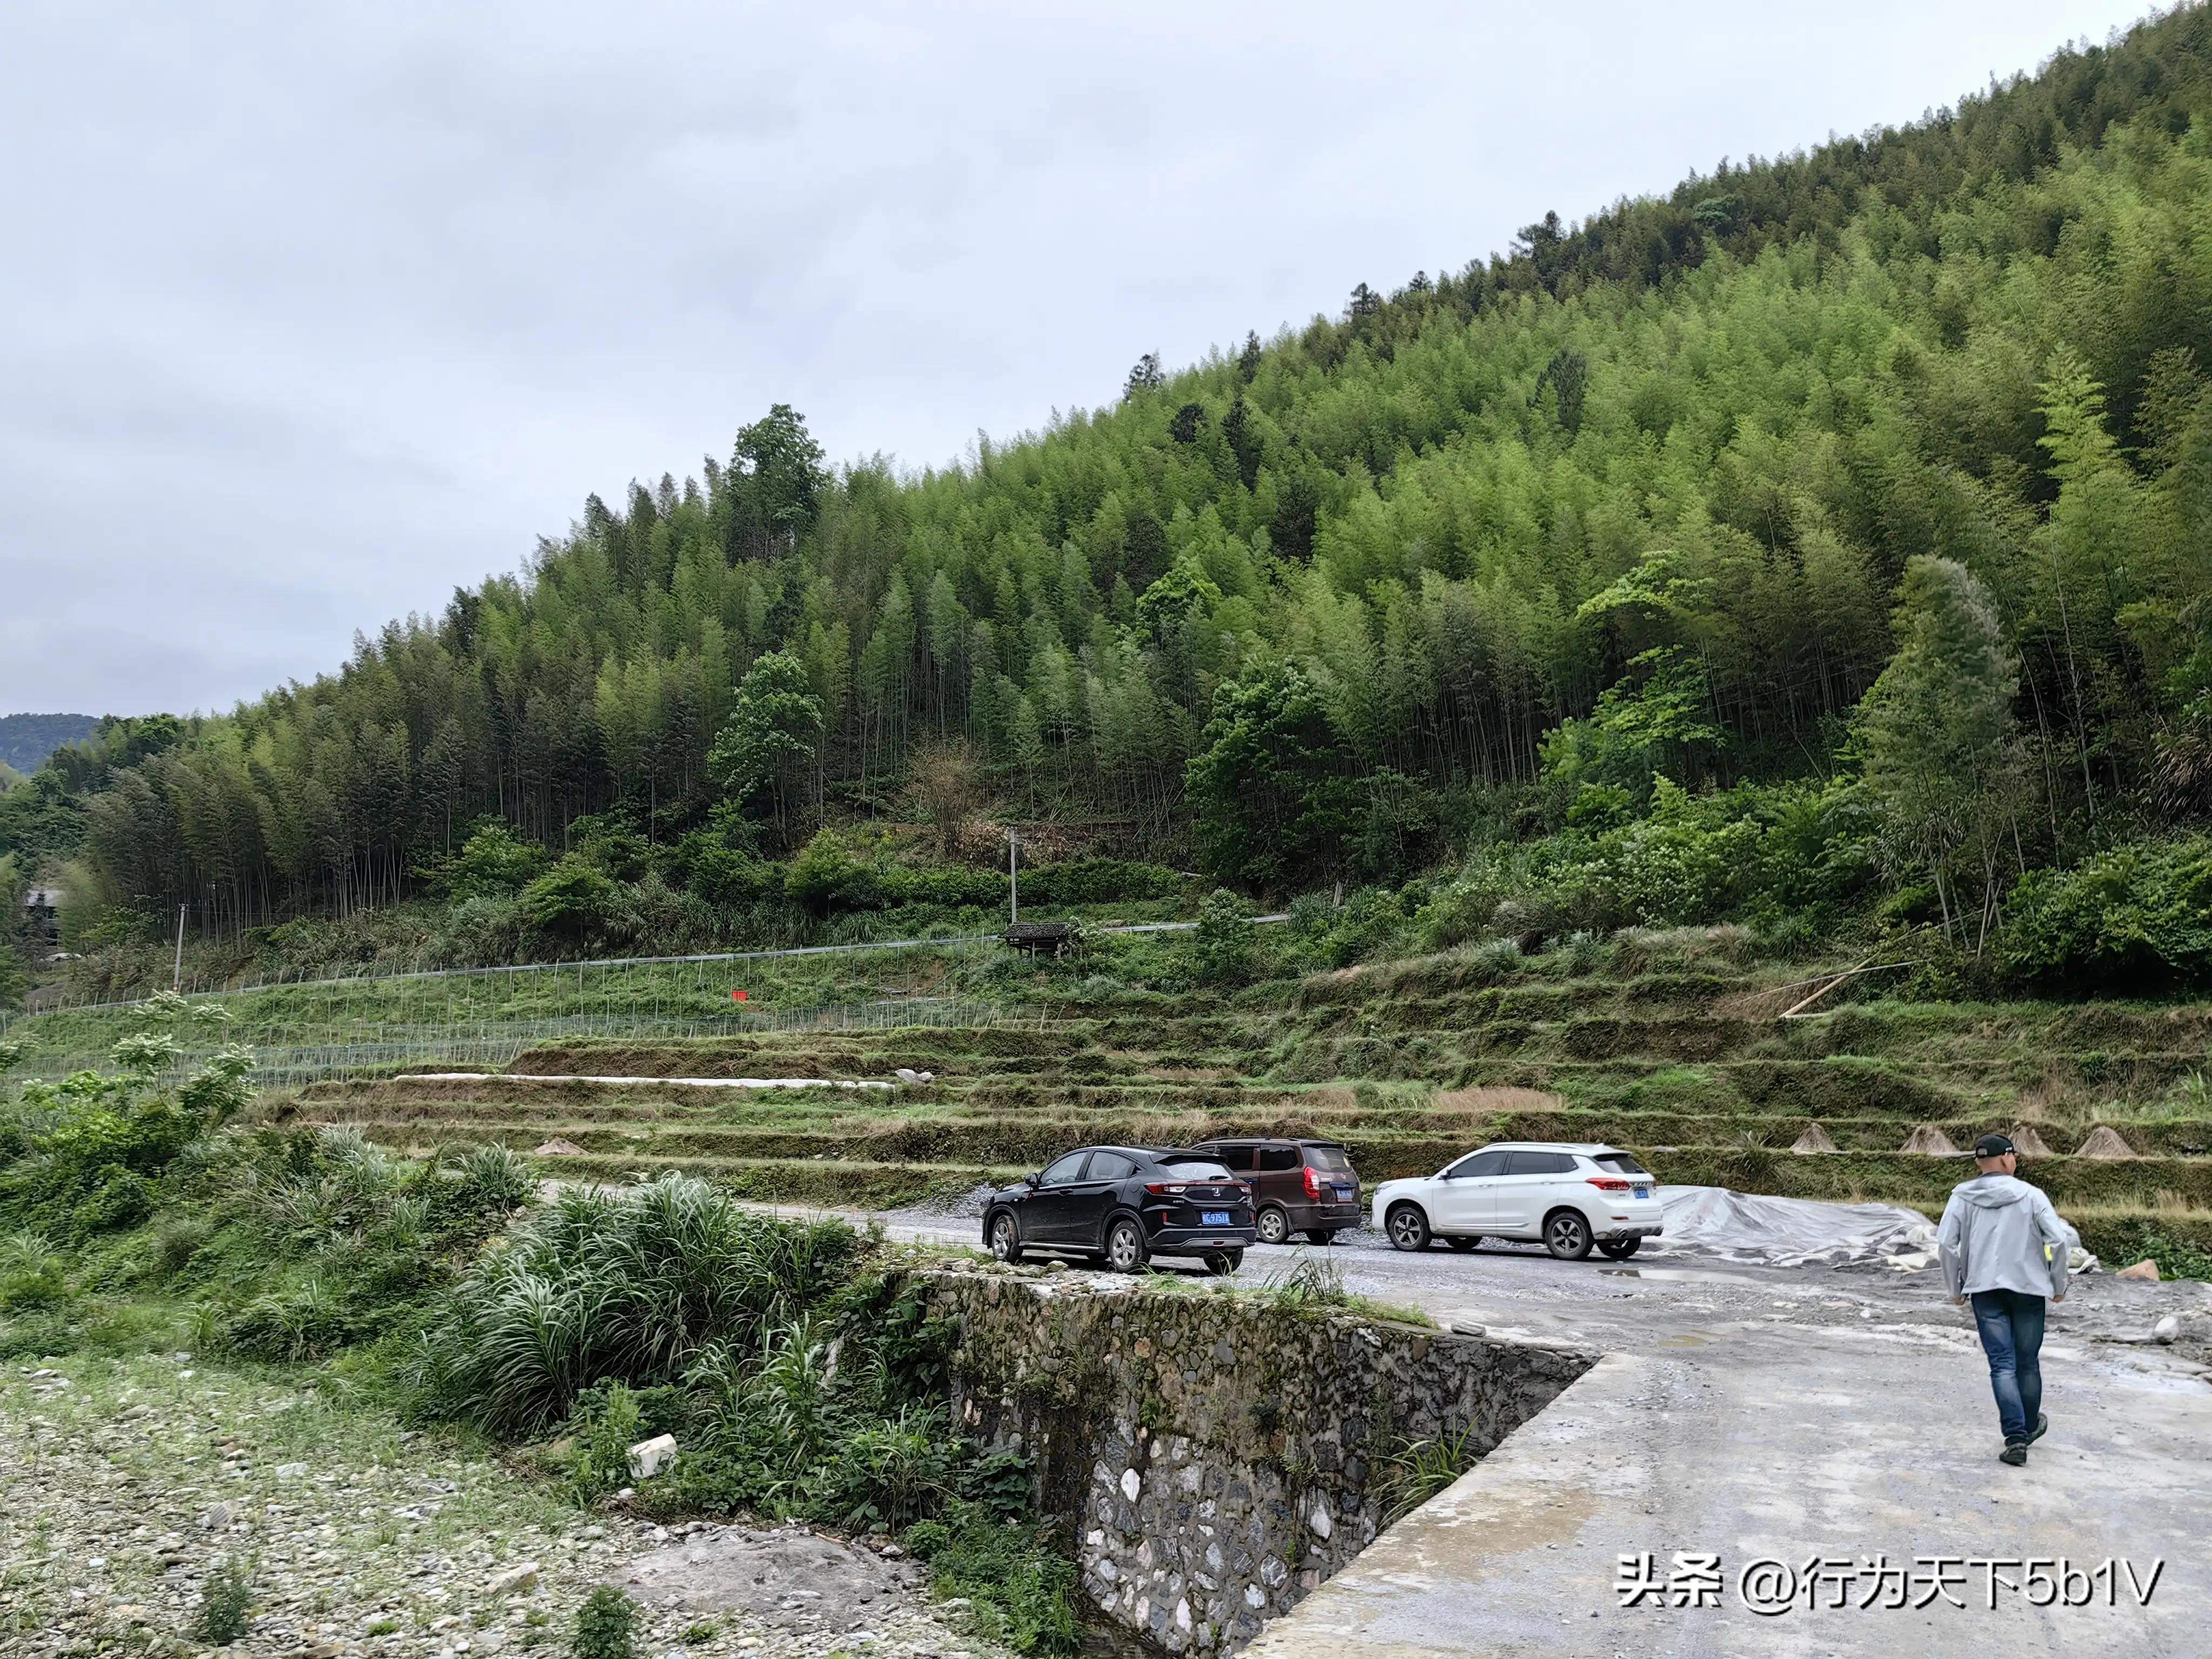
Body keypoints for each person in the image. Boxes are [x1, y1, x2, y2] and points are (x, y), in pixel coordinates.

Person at [1937, 1132, 2074, 1466]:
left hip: (1985, 1290)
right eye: (2013, 1155)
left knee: (2002, 1365)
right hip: (2029, 1290)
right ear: (2006, 1158)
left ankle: (2015, 1439)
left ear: (1979, 1163)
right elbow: (2059, 1241)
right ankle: (2027, 1428)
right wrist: (2058, 1284)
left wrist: (1955, 1289)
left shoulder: (1962, 1197)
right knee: (2027, 1362)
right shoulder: (2032, 1195)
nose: (2015, 1160)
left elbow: (1946, 1245)